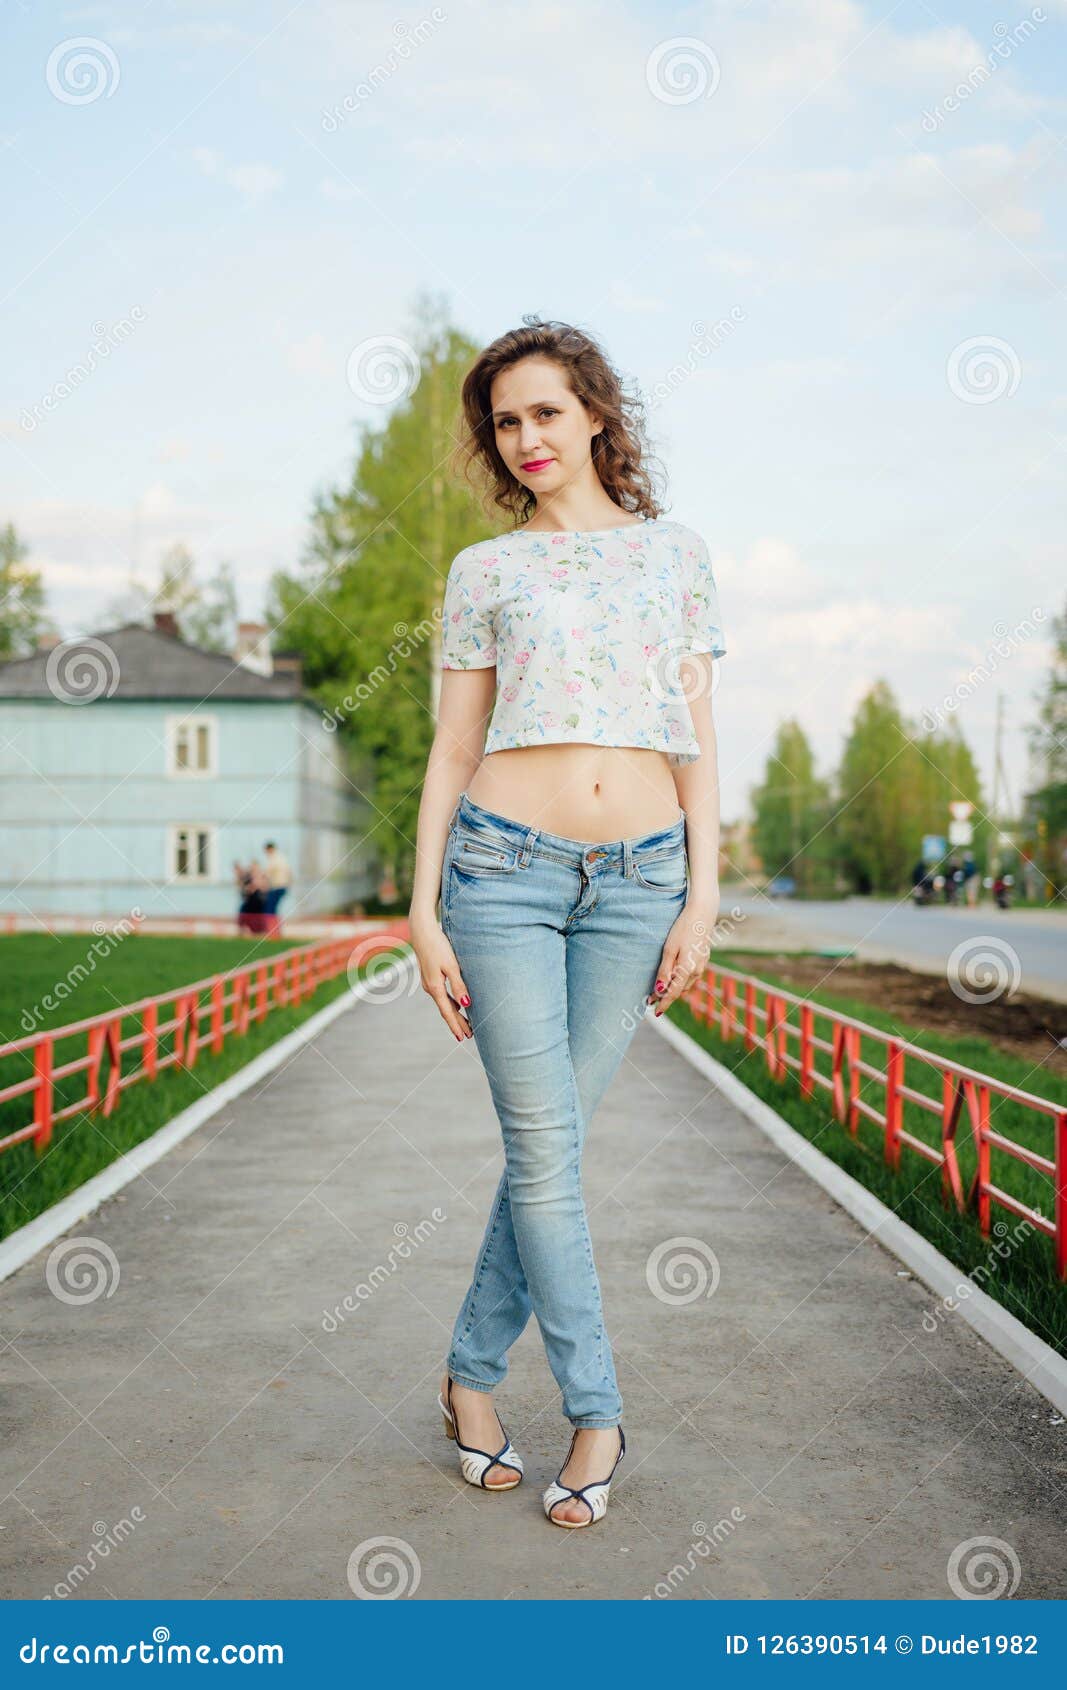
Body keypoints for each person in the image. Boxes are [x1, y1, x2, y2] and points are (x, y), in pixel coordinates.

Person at [409, 318, 726, 1530]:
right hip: (500, 873)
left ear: (595, 412)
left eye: (545, 411)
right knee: (545, 1153)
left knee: (551, 1151)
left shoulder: (675, 554)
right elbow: (451, 747)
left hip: (639, 881)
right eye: (505, 421)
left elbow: (695, 738)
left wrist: (701, 890)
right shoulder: (486, 572)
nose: (526, 438)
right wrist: (419, 911)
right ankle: (597, 1411)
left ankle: (468, 1378)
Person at [234, 858, 269, 935]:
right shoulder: (248, 877)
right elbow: (243, 886)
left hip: (258, 900)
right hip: (250, 900)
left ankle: (259, 931)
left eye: (254, 867)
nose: (253, 869)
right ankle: (244, 930)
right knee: (243, 911)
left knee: (256, 916)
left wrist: (255, 887)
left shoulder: (262, 876)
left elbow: (264, 888)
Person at [263, 841, 292, 931]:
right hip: (283, 886)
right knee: (273, 909)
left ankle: (272, 930)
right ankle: (275, 930)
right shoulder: (282, 857)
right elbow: (289, 873)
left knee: (270, 909)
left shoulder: (274, 858)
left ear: (269, 849)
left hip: (277, 887)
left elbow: (267, 874)